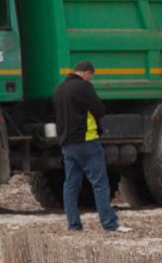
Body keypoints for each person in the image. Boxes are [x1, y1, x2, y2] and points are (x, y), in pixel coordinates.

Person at [52, 61, 131, 233]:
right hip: (87, 142)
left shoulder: (59, 89)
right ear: (87, 73)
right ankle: (109, 224)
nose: (90, 80)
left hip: (67, 144)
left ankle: (74, 225)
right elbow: (99, 110)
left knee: (71, 185)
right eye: (91, 77)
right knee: (100, 184)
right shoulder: (84, 87)